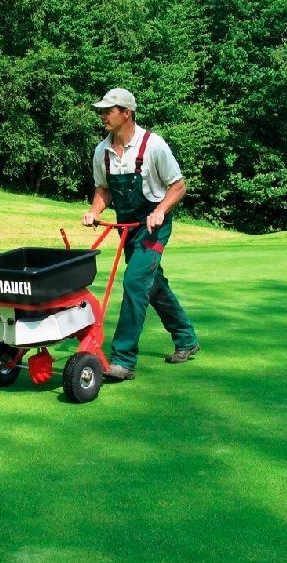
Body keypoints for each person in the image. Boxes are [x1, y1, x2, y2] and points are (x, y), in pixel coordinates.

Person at [82, 88, 199, 380]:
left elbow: (178, 186)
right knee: (152, 283)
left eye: (108, 111)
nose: (102, 116)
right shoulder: (102, 151)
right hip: (128, 229)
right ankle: (186, 337)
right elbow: (103, 190)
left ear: (127, 112)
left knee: (135, 282)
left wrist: (160, 211)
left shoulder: (154, 146)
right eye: (102, 110)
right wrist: (95, 212)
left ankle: (122, 359)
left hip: (154, 228)